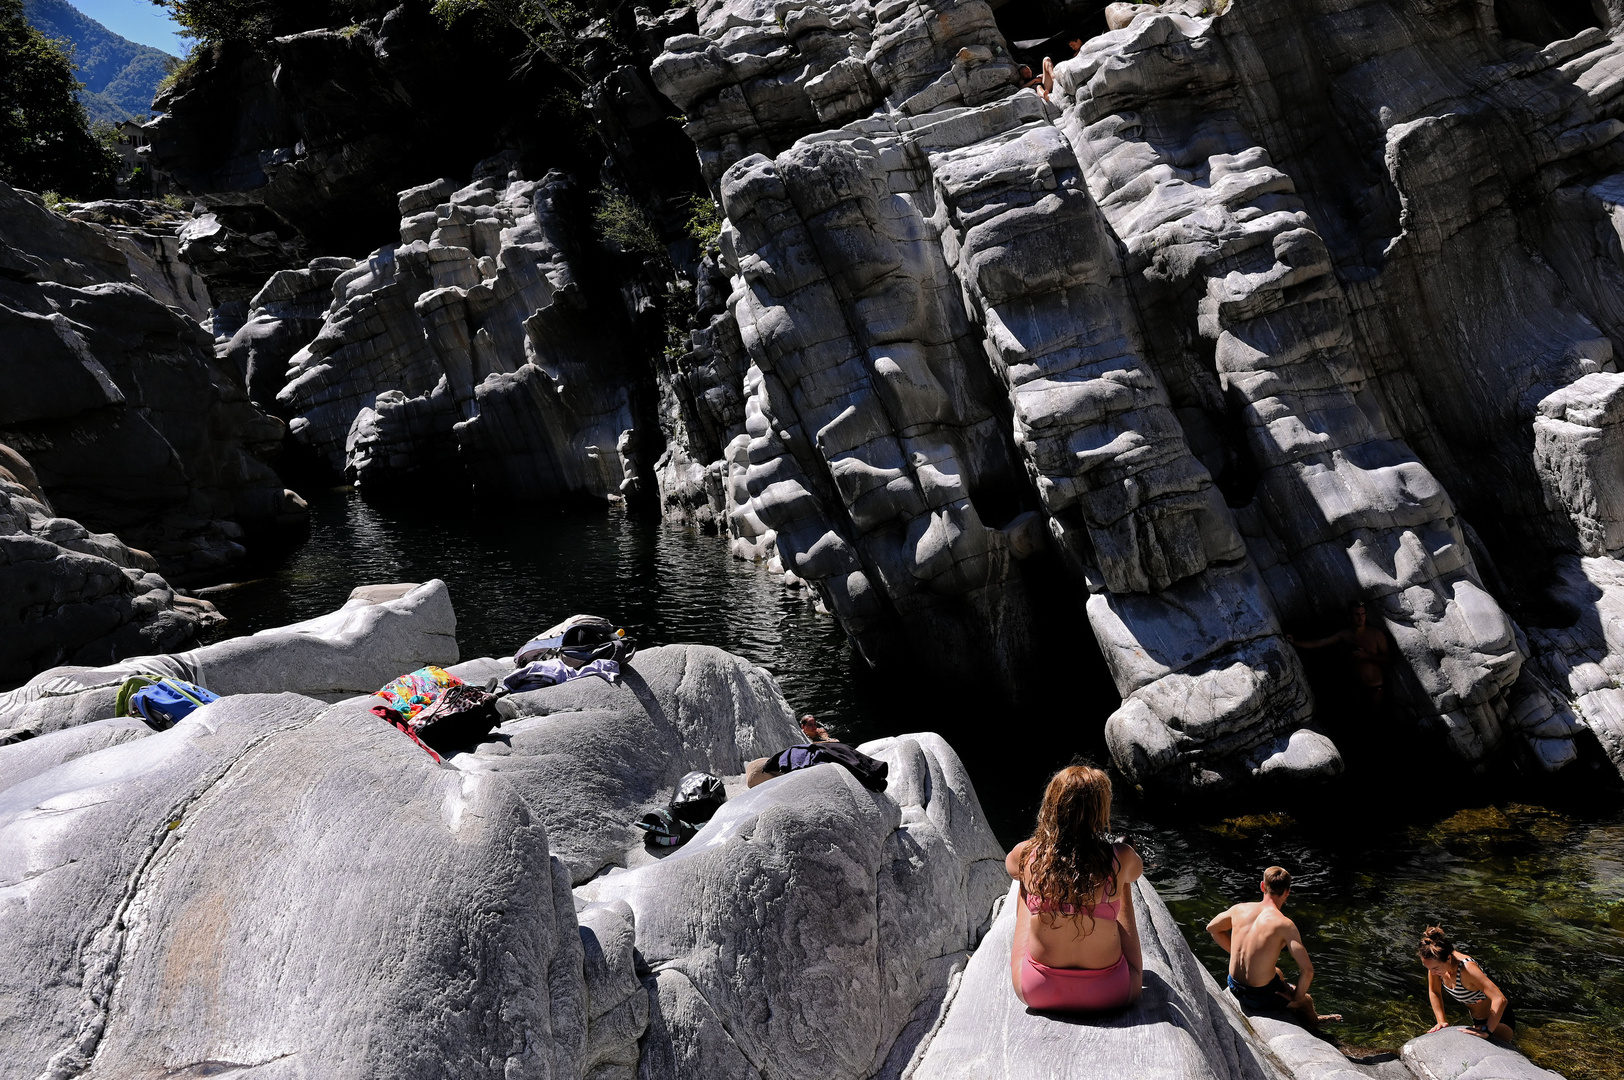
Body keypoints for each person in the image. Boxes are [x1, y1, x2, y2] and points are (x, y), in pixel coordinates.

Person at [1005, 764, 1145, 1013]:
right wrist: (1117, 864)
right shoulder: (1121, 857)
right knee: (1122, 883)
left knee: (1025, 885)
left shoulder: (1025, 853)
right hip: (1111, 992)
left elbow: (1011, 868)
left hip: (1037, 990)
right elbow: (1137, 872)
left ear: (1051, 807)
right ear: (1100, 811)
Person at [1206, 867, 1342, 1025]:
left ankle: (1284, 997)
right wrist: (1297, 996)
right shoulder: (1285, 925)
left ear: (1262, 886)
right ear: (1287, 892)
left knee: (1277, 971)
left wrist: (1234, 953)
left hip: (1234, 986)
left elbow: (1212, 929)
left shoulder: (1239, 909)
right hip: (1257, 997)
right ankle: (1315, 1026)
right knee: (1307, 1001)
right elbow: (1308, 971)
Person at [1417, 925, 1515, 1041]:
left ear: (1448, 958)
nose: (1432, 973)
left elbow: (1500, 999)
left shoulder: (1467, 969)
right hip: (1478, 1020)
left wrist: (1487, 1030)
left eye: (1435, 968)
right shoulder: (1435, 964)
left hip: (1498, 1021)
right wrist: (1441, 1021)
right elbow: (1434, 991)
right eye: (1428, 968)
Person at [1288, 602, 1392, 706]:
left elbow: (1388, 659)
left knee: (1377, 718)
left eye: (1363, 614)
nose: (1360, 617)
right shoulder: (1345, 635)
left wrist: (1366, 656)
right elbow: (1319, 643)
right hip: (1357, 687)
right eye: (1357, 614)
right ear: (1350, 616)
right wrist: (1295, 642)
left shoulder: (1376, 635)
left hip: (1376, 688)